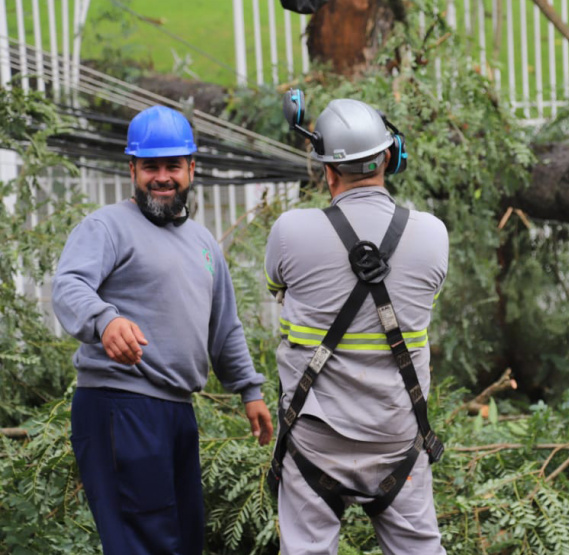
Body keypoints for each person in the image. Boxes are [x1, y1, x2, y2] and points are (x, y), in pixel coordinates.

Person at [52, 105, 274, 555]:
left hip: (176, 411)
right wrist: (105, 319)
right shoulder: (107, 227)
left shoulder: (204, 243)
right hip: (119, 405)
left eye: (173, 165)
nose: (162, 177)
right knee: (144, 541)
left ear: (191, 168)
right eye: (150, 166)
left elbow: (224, 325)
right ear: (131, 168)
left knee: (184, 537)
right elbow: (68, 285)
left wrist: (250, 390)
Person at [264, 96, 448, 554]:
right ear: (390, 157)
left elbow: (276, 283)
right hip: (397, 435)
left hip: (315, 437)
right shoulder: (432, 235)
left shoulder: (290, 232)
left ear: (326, 170)